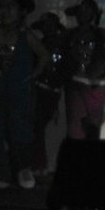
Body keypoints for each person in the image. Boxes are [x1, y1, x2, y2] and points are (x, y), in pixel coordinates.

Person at [0, 0, 49, 191]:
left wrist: (33, 75)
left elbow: (44, 55)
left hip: (18, 93)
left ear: (22, 11)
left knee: (20, 131)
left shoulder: (26, 35)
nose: (4, 11)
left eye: (10, 7)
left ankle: (23, 169)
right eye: (1, 7)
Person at [62, 0, 105, 140]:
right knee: (75, 126)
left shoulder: (100, 33)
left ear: (93, 13)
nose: (83, 13)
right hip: (76, 82)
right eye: (80, 11)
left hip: (96, 84)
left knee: (93, 125)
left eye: (87, 10)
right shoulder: (69, 34)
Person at [30, 11, 68, 175]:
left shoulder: (63, 44)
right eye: (45, 25)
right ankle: (38, 164)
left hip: (50, 91)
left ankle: (39, 164)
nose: (48, 28)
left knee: (37, 127)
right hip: (39, 89)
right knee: (36, 127)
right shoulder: (40, 43)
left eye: (50, 24)